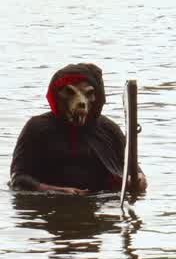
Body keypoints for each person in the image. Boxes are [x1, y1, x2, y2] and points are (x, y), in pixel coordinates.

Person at [9, 63, 147, 195]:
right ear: (56, 95)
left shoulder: (108, 129)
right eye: (70, 92)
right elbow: (18, 179)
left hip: (99, 205)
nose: (81, 102)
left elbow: (132, 170)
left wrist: (139, 180)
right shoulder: (36, 128)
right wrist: (52, 190)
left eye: (88, 93)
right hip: (54, 207)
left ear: (97, 98)